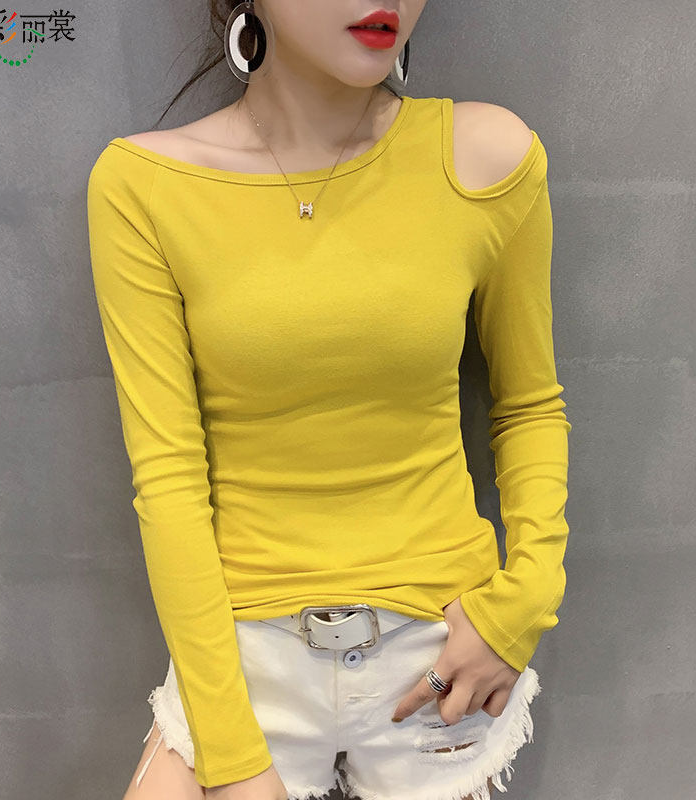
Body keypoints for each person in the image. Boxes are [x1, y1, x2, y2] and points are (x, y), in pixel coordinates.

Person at [85, 2, 572, 799]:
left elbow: (527, 405)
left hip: (442, 652)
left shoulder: (484, 159)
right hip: (241, 653)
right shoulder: (143, 186)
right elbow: (167, 477)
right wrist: (235, 760)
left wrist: (522, 606)